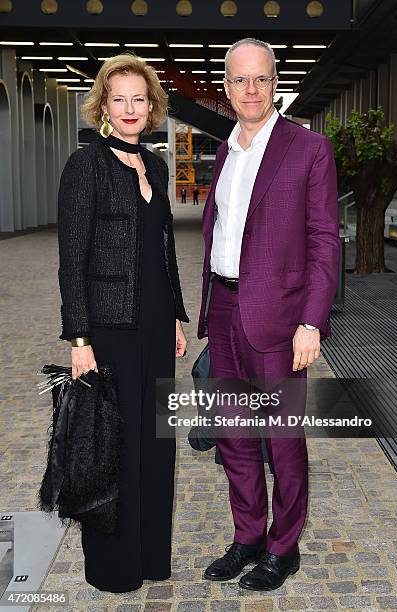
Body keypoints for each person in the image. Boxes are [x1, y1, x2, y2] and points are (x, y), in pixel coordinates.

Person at [197, 38, 339, 591]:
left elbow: (325, 239)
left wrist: (312, 321)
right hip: (226, 307)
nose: (250, 90)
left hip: (280, 319)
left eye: (260, 79)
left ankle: (284, 547)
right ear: (226, 87)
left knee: (281, 438)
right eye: (238, 80)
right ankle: (248, 536)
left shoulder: (308, 149)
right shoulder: (225, 150)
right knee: (234, 435)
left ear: (275, 82)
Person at [57, 53, 189, 593]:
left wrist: (178, 316)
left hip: (157, 328)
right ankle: (114, 567)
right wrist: (79, 337)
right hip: (109, 330)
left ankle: (153, 556)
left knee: (157, 445)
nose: (131, 108)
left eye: (140, 98)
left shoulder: (156, 167)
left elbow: (164, 249)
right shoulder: (85, 165)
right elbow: (72, 259)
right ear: (103, 106)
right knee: (114, 447)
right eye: (120, 98)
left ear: (152, 105)